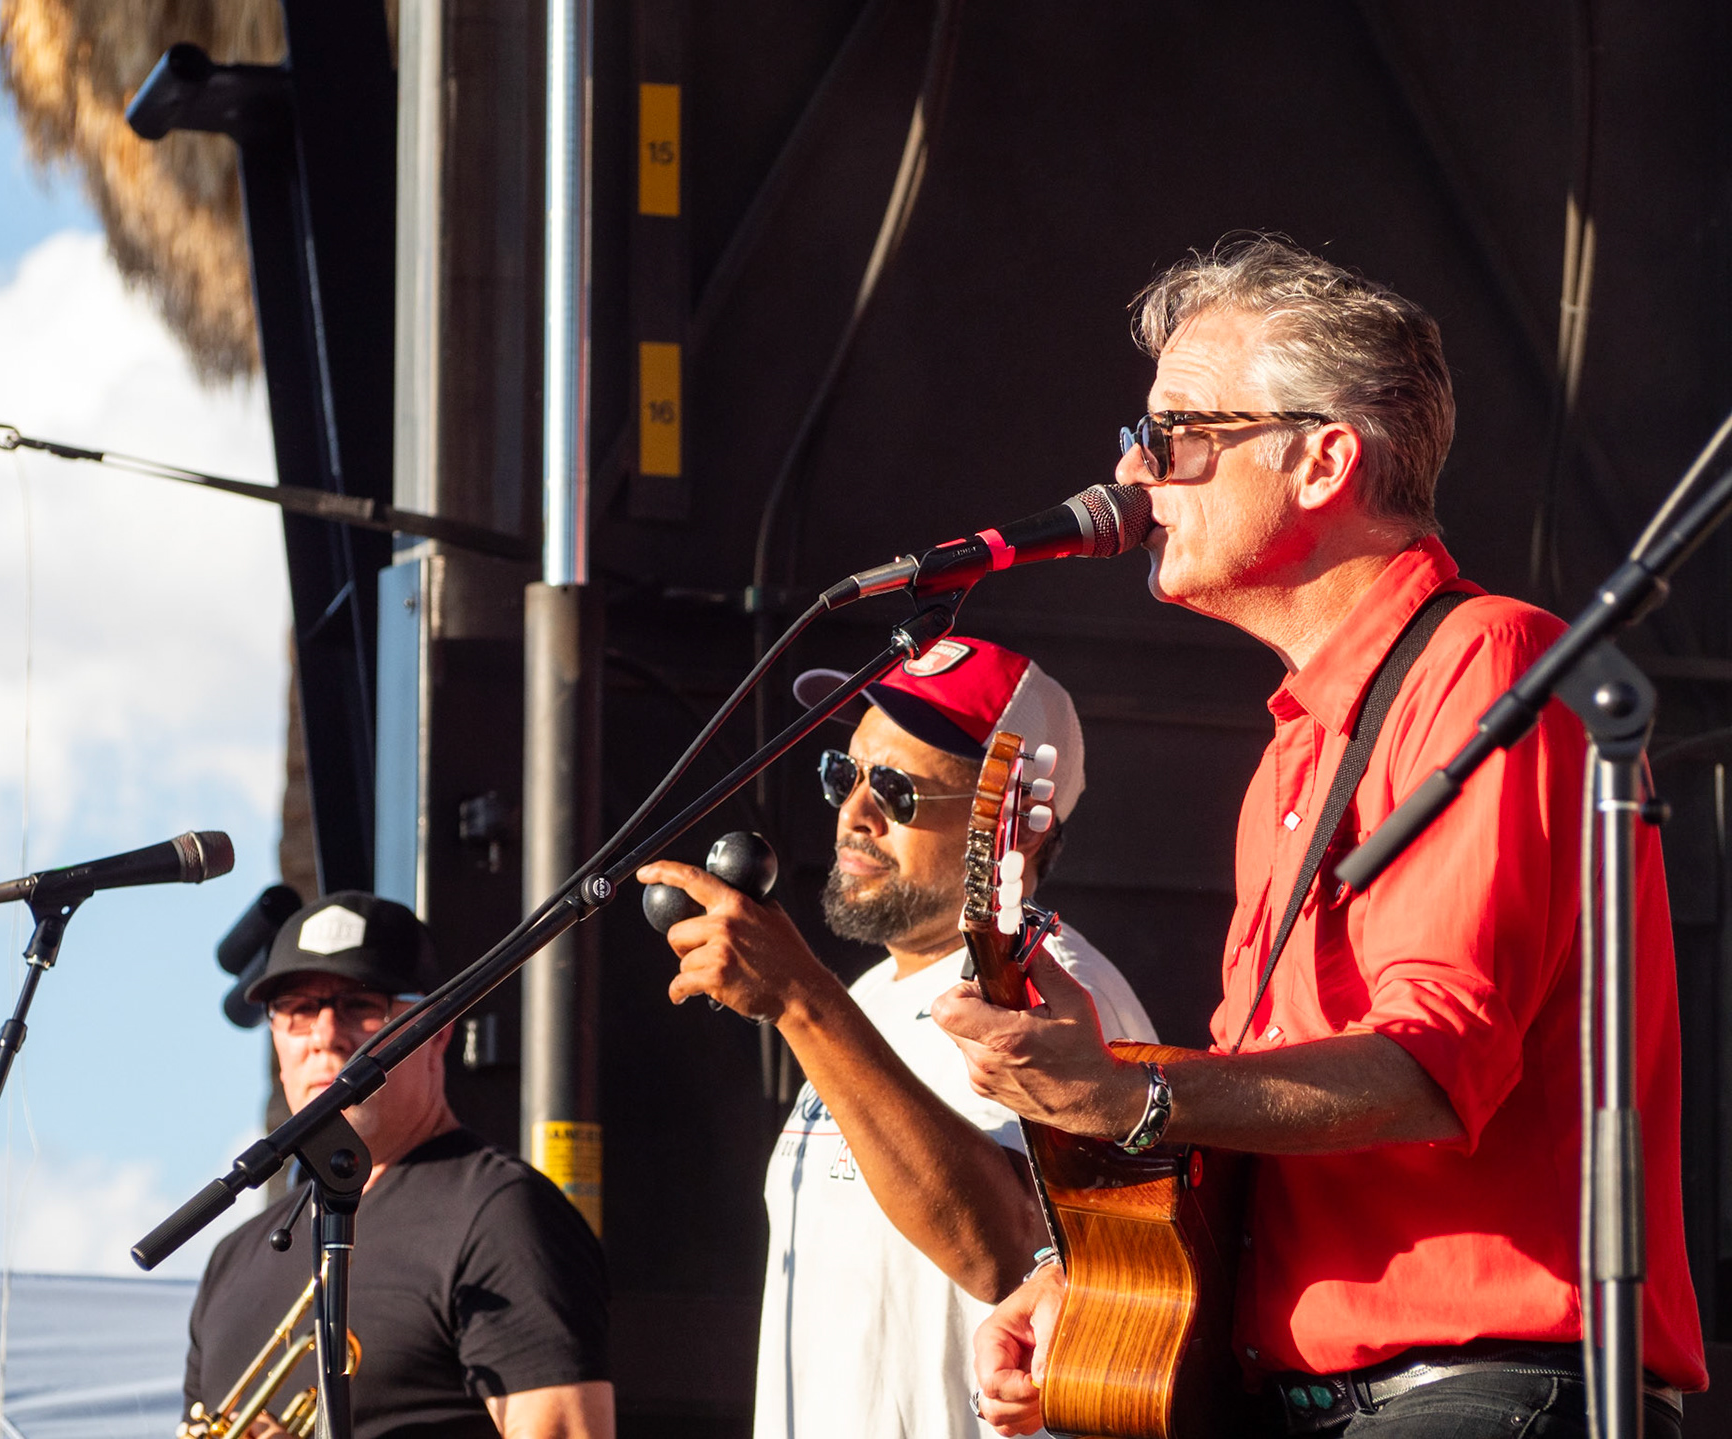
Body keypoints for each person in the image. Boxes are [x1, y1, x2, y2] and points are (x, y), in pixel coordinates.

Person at [932, 237, 1708, 1437]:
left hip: (1477, 1387)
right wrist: (1099, 1265)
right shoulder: (1298, 741)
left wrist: (1128, 1098)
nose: (1136, 476)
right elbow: (1265, 1117)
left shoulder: (1488, 664)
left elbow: (1429, 1064)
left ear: (1323, 459)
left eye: (1176, 434)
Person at [637, 636, 1156, 1439]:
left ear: (1013, 823)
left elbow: (1002, 1252)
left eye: (897, 790)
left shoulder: (1057, 999)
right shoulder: (872, 996)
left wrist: (802, 1002)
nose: (855, 812)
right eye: (843, 775)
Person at [182, 892, 614, 1439]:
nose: (324, 1035)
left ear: (436, 1030)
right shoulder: (230, 1261)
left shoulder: (500, 1215)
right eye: (297, 1010)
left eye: (362, 1006)